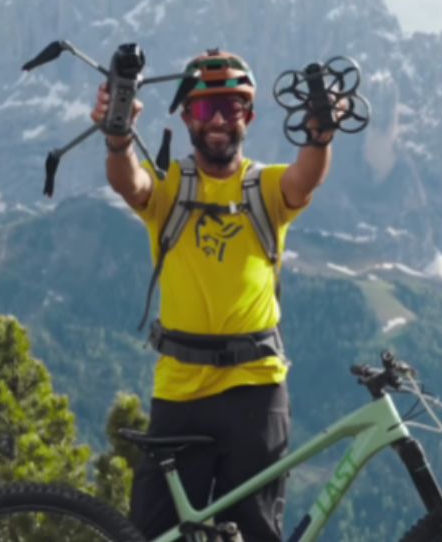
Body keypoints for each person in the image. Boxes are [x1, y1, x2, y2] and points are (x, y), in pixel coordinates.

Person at [91, 48, 339, 541]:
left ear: (250, 116)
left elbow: (305, 177)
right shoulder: (170, 187)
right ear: (187, 117)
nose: (219, 120)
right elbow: (130, 183)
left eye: (231, 107)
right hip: (180, 389)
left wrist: (319, 135)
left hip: (257, 388)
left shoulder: (265, 187)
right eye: (206, 108)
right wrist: (118, 139)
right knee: (152, 535)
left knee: (254, 533)